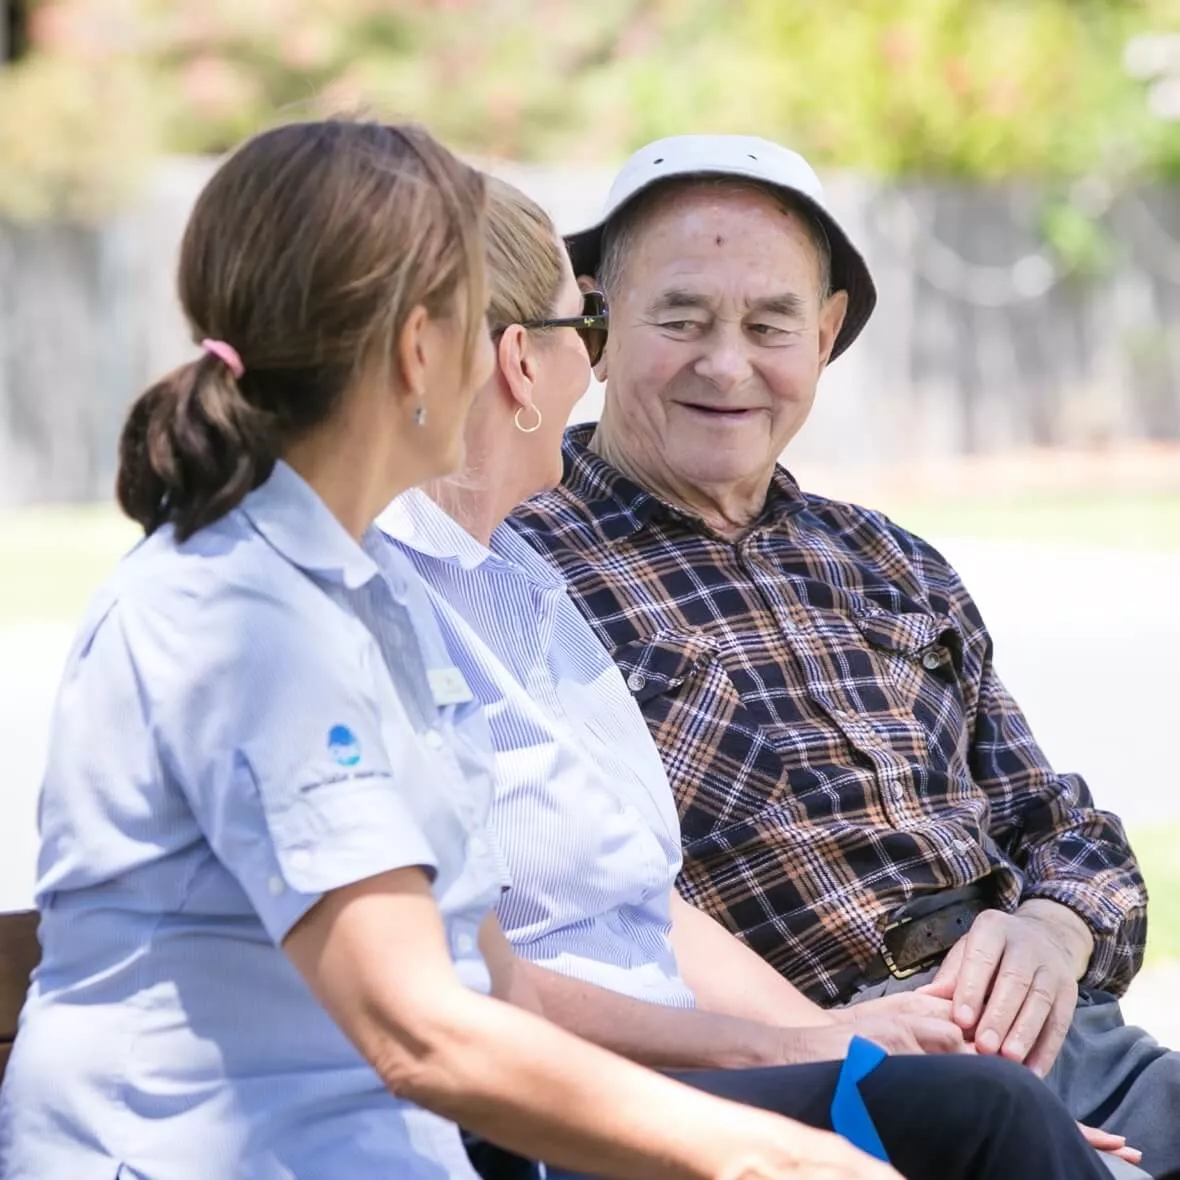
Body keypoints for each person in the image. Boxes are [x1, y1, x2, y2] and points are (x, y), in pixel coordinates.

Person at [0, 120, 908, 1180]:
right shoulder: (245, 617)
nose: (516, 366)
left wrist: (790, 1098)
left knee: (968, 1122)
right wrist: (769, 1156)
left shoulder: (368, 596)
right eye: (491, 325)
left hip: (395, 1154)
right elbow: (423, 1031)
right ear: (419, 350)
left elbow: (488, 986)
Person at [380, 174, 1125, 1180]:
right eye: (674, 320)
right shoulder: (486, 566)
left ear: (823, 335)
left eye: (769, 325)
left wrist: (1046, 935)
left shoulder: (874, 557)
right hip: (689, 1071)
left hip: (1013, 1026)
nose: (726, 364)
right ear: (550, 346)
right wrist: (821, 1051)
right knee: (998, 1125)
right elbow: (465, 983)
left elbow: (1062, 825)